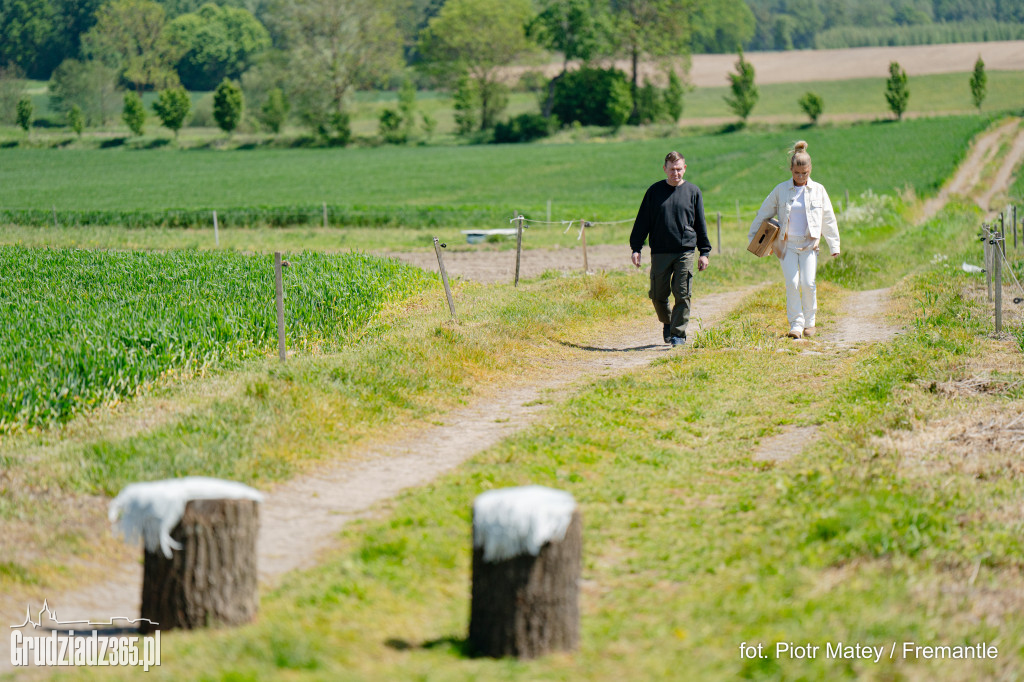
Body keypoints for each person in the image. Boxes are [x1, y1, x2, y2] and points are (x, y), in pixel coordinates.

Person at [748, 140, 840, 340]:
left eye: (805, 173)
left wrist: (834, 244)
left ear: (810, 170)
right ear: (791, 169)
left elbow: (828, 217)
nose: (800, 177)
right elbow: (763, 214)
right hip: (786, 245)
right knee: (792, 283)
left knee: (808, 283)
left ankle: (810, 322)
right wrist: (753, 238)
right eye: (797, 173)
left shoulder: (819, 190)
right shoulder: (780, 190)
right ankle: (796, 325)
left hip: (809, 245)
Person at [629, 151, 711, 347]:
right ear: (664, 169)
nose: (676, 173)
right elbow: (642, 222)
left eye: (679, 169)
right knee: (658, 296)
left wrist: (704, 252)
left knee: (682, 293)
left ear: (685, 168)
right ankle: (667, 322)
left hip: (685, 251)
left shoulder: (693, 192)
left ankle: (678, 334)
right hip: (660, 252)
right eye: (672, 169)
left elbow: (700, 223)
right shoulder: (654, 192)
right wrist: (636, 248)